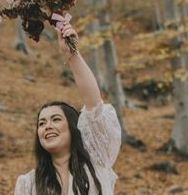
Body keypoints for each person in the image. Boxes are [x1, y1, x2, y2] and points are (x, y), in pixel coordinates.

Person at [14, 16, 121, 195]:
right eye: (41, 123)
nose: (47, 126)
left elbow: (94, 105)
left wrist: (72, 55)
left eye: (55, 119)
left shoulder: (97, 161)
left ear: (73, 127)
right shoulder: (28, 184)